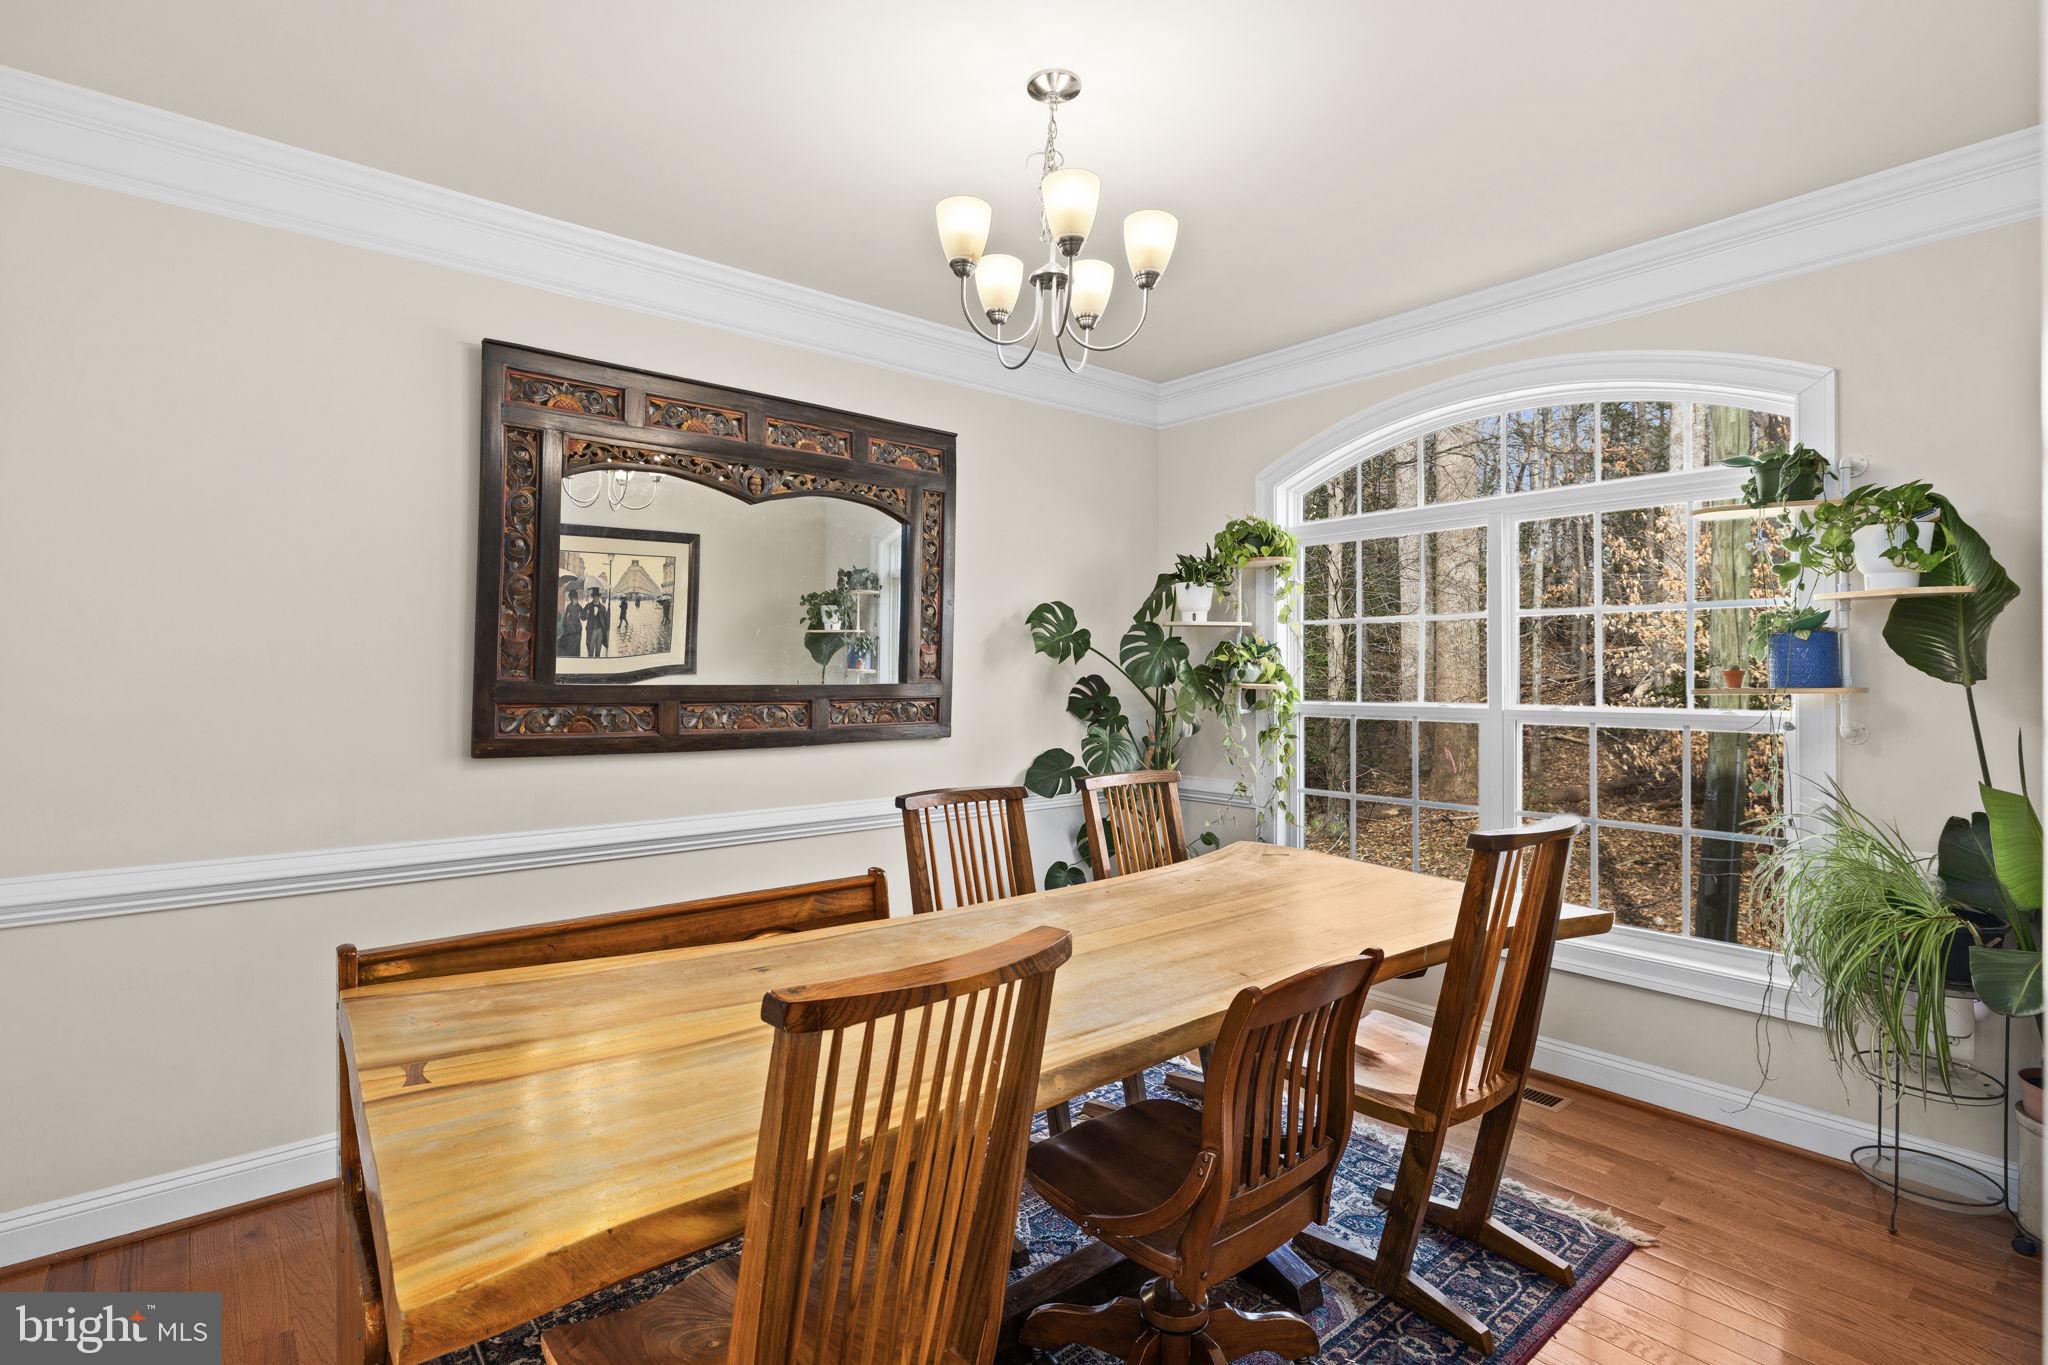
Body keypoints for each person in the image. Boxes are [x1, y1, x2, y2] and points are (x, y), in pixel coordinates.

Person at [556, 587, 584, 658]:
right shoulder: (568, 606)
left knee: (577, 644)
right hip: (570, 628)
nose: (575, 600)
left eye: (576, 599)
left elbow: (583, 617)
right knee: (570, 644)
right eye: (574, 599)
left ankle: (577, 657)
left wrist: (585, 613)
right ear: (571, 599)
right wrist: (565, 625)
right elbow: (566, 616)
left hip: (577, 628)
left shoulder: (579, 607)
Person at [583, 587, 609, 657]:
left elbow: (606, 620)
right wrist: (586, 613)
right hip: (591, 630)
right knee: (590, 649)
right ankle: (590, 663)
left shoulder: (603, 607)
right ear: (592, 597)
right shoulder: (588, 606)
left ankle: (597, 662)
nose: (596, 598)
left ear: (599, 597)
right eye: (594, 597)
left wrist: (606, 630)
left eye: (597, 597)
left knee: (598, 649)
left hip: (600, 630)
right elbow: (582, 617)